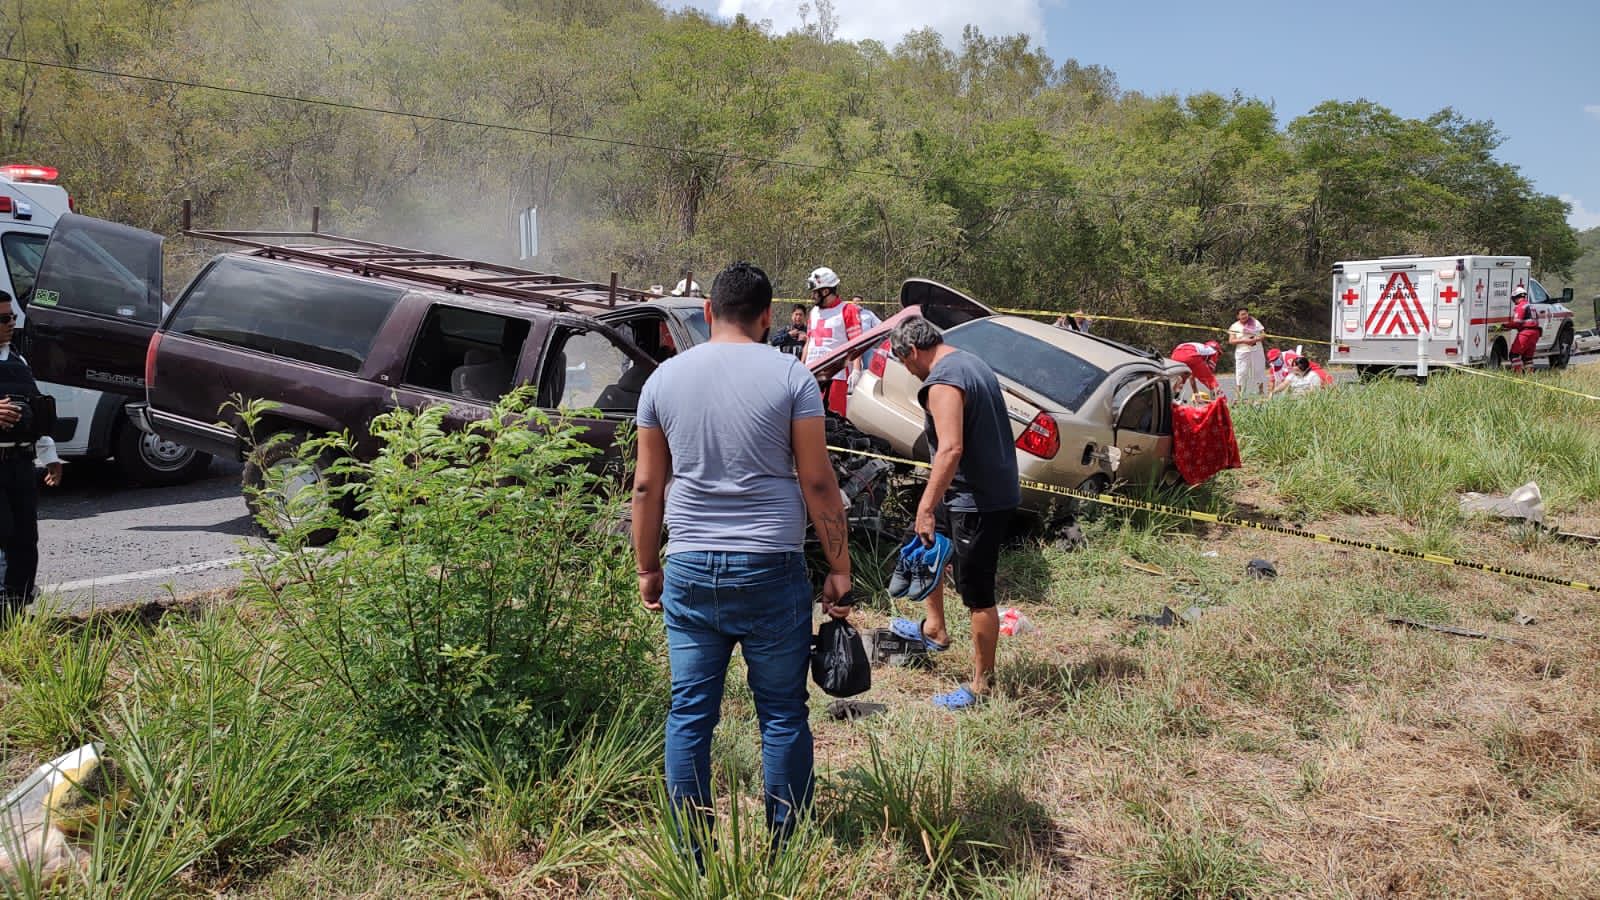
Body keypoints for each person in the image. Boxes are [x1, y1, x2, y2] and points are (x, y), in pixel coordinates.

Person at [632, 261, 854, 852]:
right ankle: (787, 845)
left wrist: (648, 566)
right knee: (782, 714)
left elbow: (648, 487)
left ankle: (691, 852)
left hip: (690, 566)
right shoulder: (792, 377)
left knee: (690, 714)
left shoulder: (663, 381)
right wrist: (839, 565)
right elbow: (817, 482)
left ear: (708, 313)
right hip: (771, 568)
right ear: (766, 318)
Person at [885, 316, 1019, 711]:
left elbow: (950, 449)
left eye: (904, 363)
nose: (908, 371)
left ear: (912, 352)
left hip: (976, 500)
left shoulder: (942, 382)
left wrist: (925, 506)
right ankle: (935, 630)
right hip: (961, 488)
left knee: (977, 592)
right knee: (930, 547)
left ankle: (982, 687)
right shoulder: (969, 361)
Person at [0, 291, 63, 619]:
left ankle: (16, 613)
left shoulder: (18, 361)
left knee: (26, 540)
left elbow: (37, 412)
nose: (12, 323)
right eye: (4, 319)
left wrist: (50, 456)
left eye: (12, 317)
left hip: (21, 464)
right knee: (3, 535)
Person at [800, 267, 864, 415]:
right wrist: (801, 368)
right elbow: (809, 343)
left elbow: (856, 342)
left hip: (836, 376)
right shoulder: (813, 312)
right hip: (812, 375)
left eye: (815, 292)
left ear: (825, 291)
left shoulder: (847, 310)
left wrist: (856, 370)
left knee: (834, 422)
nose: (812, 296)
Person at [1227, 306, 1267, 397]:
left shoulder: (1255, 322)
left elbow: (1263, 335)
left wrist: (1256, 339)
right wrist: (1244, 341)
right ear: (1238, 316)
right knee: (1241, 372)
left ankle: (1261, 392)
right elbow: (1231, 341)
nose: (1245, 316)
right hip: (1242, 352)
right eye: (1242, 314)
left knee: (1259, 370)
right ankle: (1239, 394)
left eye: (1246, 313)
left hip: (1256, 350)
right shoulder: (1234, 326)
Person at [1508, 286, 1541, 373]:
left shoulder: (1521, 306)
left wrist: (1505, 326)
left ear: (1515, 297)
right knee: (1528, 358)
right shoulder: (1531, 306)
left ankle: (1518, 375)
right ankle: (1530, 375)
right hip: (1535, 333)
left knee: (1514, 355)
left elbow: (1516, 322)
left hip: (1526, 333)